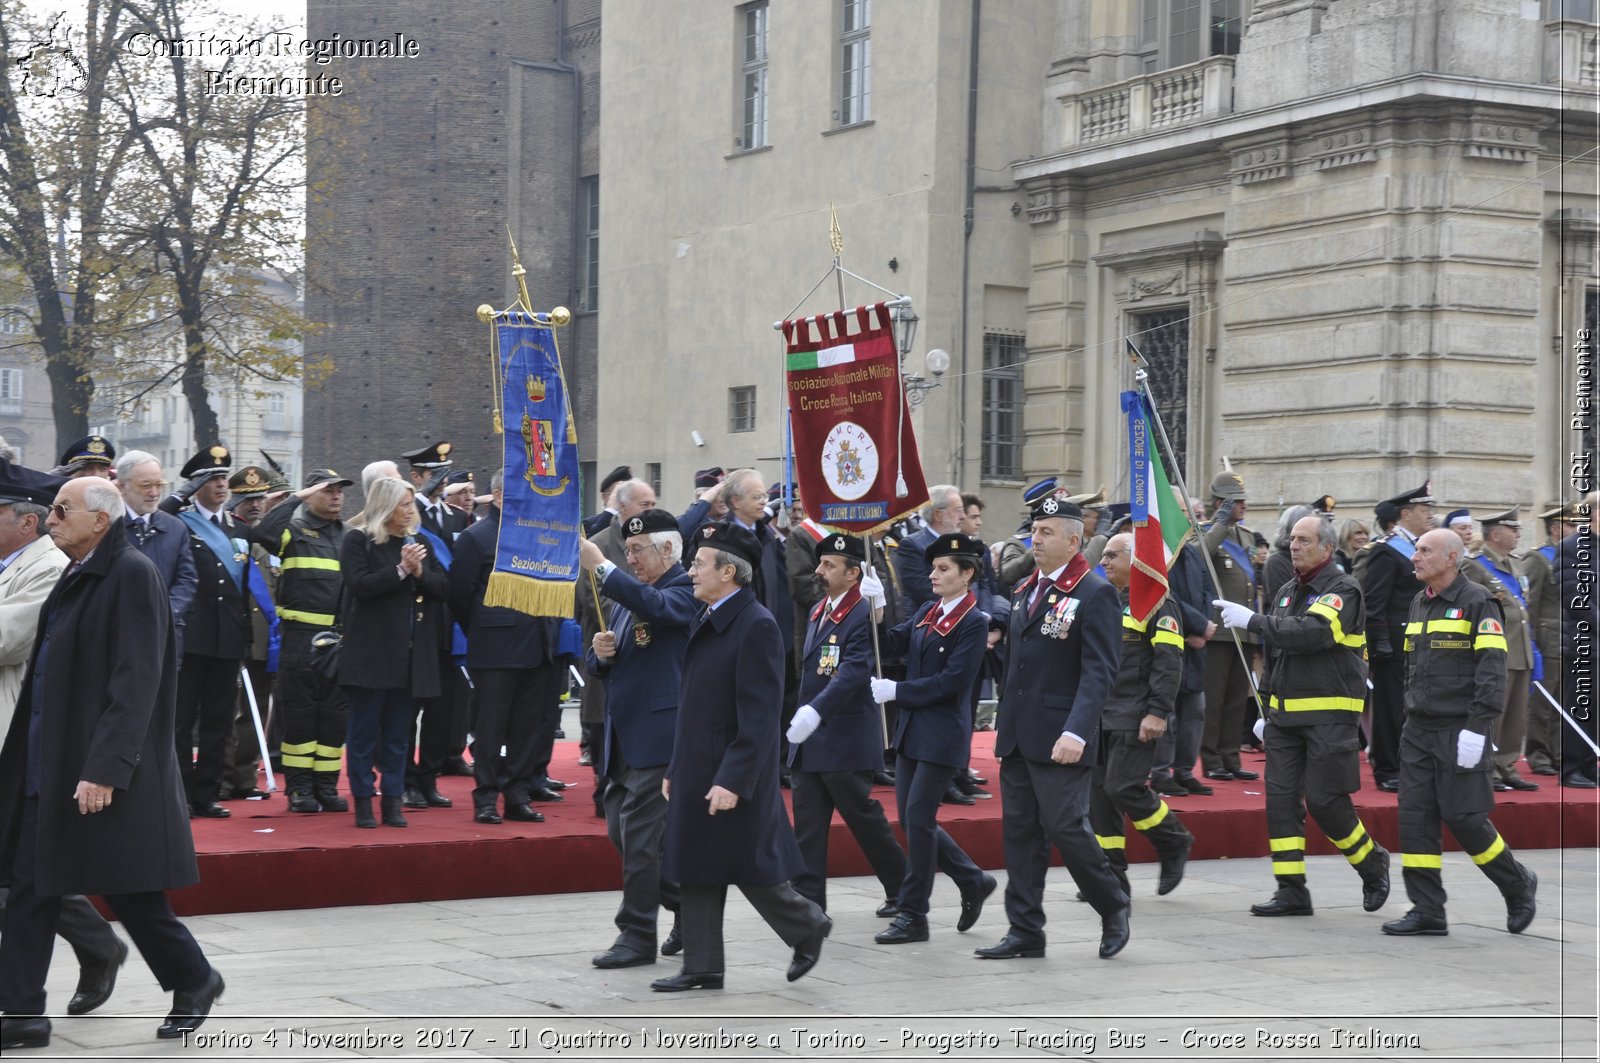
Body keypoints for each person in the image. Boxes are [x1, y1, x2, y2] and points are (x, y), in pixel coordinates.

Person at [0, 477, 224, 1050]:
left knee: (130, 891)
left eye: (62, 509)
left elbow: (138, 679)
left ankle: (194, 979)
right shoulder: (78, 572)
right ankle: (21, 1012)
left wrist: (106, 767)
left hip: (96, 767)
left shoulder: (130, 573)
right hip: (49, 765)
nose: (49, 519)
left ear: (101, 519)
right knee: (28, 887)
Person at [653, 521, 830, 992]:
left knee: (751, 868)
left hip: (731, 771)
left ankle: (807, 925)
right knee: (696, 865)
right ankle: (702, 966)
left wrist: (733, 778)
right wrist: (677, 767)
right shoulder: (709, 615)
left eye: (699, 564)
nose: (690, 572)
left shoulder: (755, 626)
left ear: (728, 571)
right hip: (698, 767)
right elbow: (694, 707)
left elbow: (759, 716)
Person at [0, 461, 130, 1022]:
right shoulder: (17, 563)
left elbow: (8, 639)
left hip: (17, 737)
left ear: (26, 522)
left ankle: (84, 957)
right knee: (19, 873)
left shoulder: (51, 566)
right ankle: (89, 953)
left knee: (25, 872)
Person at [1215, 514, 1391, 919]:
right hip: (1284, 719)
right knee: (1280, 804)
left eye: (1304, 540)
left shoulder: (1342, 588)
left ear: (1327, 548)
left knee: (1327, 803)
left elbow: (1314, 633)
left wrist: (1254, 622)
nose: (1294, 545)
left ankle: (1370, 862)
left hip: (1330, 716)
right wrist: (1263, 703)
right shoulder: (1287, 591)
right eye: (1292, 539)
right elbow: (1276, 657)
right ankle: (1291, 890)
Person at [979, 491, 1130, 962]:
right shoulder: (1026, 590)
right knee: (1020, 834)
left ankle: (1112, 904)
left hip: (1064, 735)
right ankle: (1025, 929)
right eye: (1034, 532)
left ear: (1072, 539)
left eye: (1045, 533)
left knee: (1067, 827)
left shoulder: (1095, 592)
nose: (1035, 540)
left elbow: (1099, 671)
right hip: (1021, 735)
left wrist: (1077, 730)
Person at [1382, 529, 1538, 937]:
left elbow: (1492, 670)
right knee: (1415, 819)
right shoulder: (1420, 602)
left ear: (1452, 558)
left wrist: (1478, 728)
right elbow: (1414, 670)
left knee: (1465, 818)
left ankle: (1516, 882)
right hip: (1418, 730)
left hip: (1459, 728)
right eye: (1415, 550)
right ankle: (1428, 910)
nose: (1415, 557)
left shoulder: (1478, 602)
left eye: (1424, 550)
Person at [865, 531, 996, 944]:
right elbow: (889, 644)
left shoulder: (974, 622)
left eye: (944, 569)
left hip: (941, 734)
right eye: (933, 568)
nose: (934, 575)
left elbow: (952, 681)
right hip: (911, 731)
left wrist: (898, 692)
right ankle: (971, 878)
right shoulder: (927, 610)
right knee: (910, 818)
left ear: (967, 574)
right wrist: (878, 608)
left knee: (919, 818)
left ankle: (913, 914)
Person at [577, 508, 694, 968]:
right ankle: (689, 904)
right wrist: (600, 655)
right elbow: (606, 661)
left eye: (639, 551)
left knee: (642, 839)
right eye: (625, 552)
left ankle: (637, 933)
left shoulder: (683, 588)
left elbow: (664, 612)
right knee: (621, 834)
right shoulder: (631, 595)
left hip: (661, 739)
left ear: (667, 550)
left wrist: (601, 566)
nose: (631, 559)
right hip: (623, 738)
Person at [785, 533, 907, 917]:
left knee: (864, 821)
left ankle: (904, 888)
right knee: (807, 825)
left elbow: (854, 670)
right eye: (820, 563)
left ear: (854, 573)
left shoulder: (861, 613)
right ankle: (809, 907)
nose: (819, 571)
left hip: (843, 737)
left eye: (829, 565)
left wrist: (815, 711)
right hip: (811, 740)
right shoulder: (820, 608)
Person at [449, 471, 564, 825]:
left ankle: (516, 795)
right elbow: (459, 595)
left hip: (538, 645)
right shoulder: (476, 537)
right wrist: (485, 630)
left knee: (527, 727)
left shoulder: (538, 534)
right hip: (496, 648)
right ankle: (486, 797)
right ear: (498, 495)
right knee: (491, 728)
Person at [338, 478, 451, 829]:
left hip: (410, 656)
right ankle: (363, 801)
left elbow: (443, 589)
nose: (409, 511)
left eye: (410, 504)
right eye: (403, 504)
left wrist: (419, 572)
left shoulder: (418, 543)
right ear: (385, 505)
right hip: (371, 654)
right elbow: (360, 586)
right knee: (363, 733)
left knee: (399, 734)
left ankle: (392, 798)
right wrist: (401, 571)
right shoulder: (359, 540)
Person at [1090, 533, 1195, 898]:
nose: (1103, 561)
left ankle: (1174, 840)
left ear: (1134, 561)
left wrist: (1157, 712)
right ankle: (1110, 877)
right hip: (1101, 714)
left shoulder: (1158, 604)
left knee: (1123, 788)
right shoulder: (1107, 600)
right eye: (1102, 555)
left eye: (1111, 555)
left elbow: (1169, 663)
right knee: (1099, 797)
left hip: (1136, 714)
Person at [253, 469, 355, 813]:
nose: (337, 496)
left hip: (339, 641)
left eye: (340, 490)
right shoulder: (293, 532)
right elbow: (263, 532)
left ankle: (326, 786)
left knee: (334, 718)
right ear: (312, 494)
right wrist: (296, 496)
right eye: (328, 490)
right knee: (300, 717)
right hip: (301, 640)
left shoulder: (349, 536)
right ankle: (299, 789)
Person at [164, 447, 257, 820]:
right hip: (194, 635)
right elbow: (154, 517)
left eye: (222, 479)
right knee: (183, 721)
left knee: (219, 719)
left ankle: (208, 793)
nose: (220, 485)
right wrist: (182, 493)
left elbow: (246, 585)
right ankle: (182, 793)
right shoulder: (180, 523)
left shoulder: (238, 528)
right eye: (212, 479)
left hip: (228, 636)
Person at [1361, 481, 1434, 793]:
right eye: (1424, 509)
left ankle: (1408, 765)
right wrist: (1380, 643)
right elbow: (1374, 603)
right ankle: (1387, 768)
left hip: (1419, 643)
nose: (1430, 514)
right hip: (1392, 643)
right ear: (1406, 513)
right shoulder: (1385, 551)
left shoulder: (1419, 548)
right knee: (1391, 709)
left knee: (1413, 708)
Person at [1462, 508, 1540, 793]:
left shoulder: (1516, 564)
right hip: (1495, 651)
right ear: (1495, 534)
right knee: (1494, 713)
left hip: (1521, 651)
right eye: (1513, 529)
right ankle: (1488, 768)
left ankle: (1507, 767)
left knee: (1516, 716)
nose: (1519, 533)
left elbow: (1523, 610)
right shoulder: (1475, 566)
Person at [1199, 472, 1262, 783]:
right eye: (1238, 502)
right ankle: (1211, 760)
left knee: (1238, 697)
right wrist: (1219, 524)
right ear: (1221, 503)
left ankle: (1231, 756)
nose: (1244, 505)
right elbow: (1199, 558)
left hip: (1244, 629)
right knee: (1215, 698)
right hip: (1220, 632)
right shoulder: (1207, 533)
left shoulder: (1246, 537)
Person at [117, 451, 198, 655]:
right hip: (119, 638)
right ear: (122, 486)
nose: (154, 493)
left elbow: (187, 579)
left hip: (164, 639)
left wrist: (166, 613)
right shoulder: (108, 526)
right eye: (145, 485)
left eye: (159, 485)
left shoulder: (176, 528)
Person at [1523, 503, 1581, 777]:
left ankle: (1559, 753)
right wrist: (1530, 643)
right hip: (1546, 641)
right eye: (1572, 525)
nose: (1579, 530)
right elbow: (1530, 605)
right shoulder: (1538, 558)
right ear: (1556, 529)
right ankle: (1538, 754)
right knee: (1543, 705)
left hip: (1571, 640)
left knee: (1565, 703)